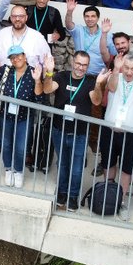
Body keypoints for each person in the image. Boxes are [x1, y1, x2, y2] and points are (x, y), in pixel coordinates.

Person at [41, 50, 104, 210]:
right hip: (59, 129)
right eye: (78, 63)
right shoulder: (62, 76)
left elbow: (96, 101)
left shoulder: (90, 81)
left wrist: (98, 85)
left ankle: (73, 196)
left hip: (80, 133)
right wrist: (48, 72)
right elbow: (47, 90)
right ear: (72, 62)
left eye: (84, 65)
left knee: (76, 167)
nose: (81, 68)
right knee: (62, 163)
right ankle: (62, 194)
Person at [0, 45, 48, 188]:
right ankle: (8, 169)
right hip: (6, 115)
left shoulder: (34, 72)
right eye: (12, 57)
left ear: (25, 56)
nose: (16, 59)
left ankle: (19, 171)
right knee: (7, 144)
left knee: (21, 147)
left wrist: (38, 80)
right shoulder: (7, 71)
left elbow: (39, 99)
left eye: (18, 55)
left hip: (24, 117)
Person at [97, 49, 133, 195]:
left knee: (127, 167)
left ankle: (120, 199)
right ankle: (108, 194)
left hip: (131, 133)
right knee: (108, 163)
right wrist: (116, 68)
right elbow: (112, 87)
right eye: (126, 67)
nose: (129, 72)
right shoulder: (116, 76)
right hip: (110, 130)